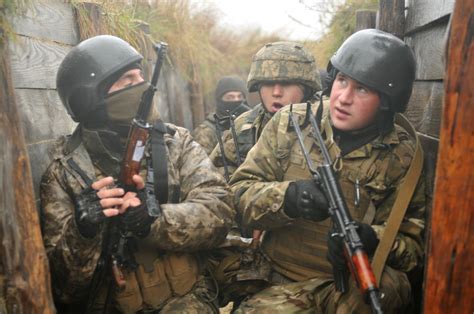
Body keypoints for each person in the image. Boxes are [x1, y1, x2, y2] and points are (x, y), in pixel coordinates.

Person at [229, 29, 426, 313]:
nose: (343, 98)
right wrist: (288, 198)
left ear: (386, 101)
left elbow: (414, 249)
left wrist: (372, 238)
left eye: (362, 89)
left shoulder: (402, 156)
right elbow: (236, 196)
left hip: (353, 287)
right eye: (342, 80)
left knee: (390, 288)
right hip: (280, 282)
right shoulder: (290, 123)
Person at [40, 35, 234, 313]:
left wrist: (153, 220)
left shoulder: (175, 142)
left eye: (140, 76)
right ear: (91, 98)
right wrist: (83, 232)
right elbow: (65, 288)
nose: (142, 87)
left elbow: (221, 212)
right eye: (128, 81)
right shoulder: (63, 173)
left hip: (187, 300)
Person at [209, 41, 321, 177]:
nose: (276, 92)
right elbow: (212, 182)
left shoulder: (325, 124)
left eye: (286, 84)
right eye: (268, 83)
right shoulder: (243, 127)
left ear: (307, 89)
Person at [192, 76, 250, 155]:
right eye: (230, 97)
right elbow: (200, 163)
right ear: (220, 100)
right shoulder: (206, 132)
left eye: (240, 97)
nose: (236, 101)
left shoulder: (251, 123)